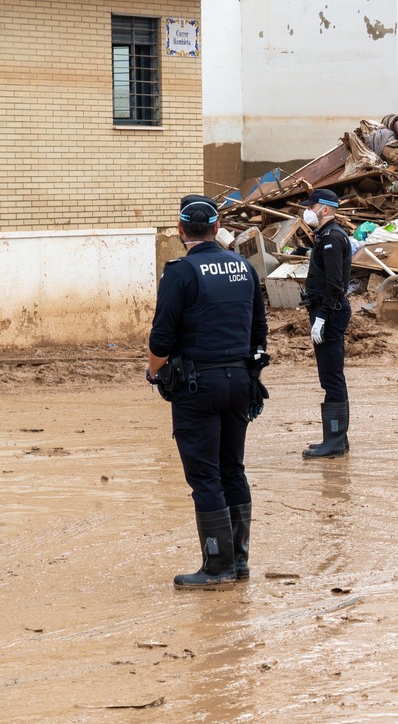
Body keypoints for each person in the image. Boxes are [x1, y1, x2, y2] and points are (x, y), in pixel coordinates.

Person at [147, 195, 268, 589]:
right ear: (217, 228)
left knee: (206, 477)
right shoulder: (243, 267)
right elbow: (258, 330)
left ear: (181, 231)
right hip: (239, 381)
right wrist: (249, 375)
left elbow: (161, 338)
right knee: (233, 469)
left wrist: (154, 374)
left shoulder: (180, 272)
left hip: (198, 385)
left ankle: (217, 566)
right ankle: (239, 562)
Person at [302, 188, 352, 458]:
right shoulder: (325, 236)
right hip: (327, 309)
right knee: (331, 375)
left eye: (312, 206)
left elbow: (334, 284)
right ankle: (337, 439)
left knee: (331, 376)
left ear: (326, 208)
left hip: (329, 312)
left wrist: (321, 317)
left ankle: (334, 441)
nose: (308, 210)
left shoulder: (332, 237)